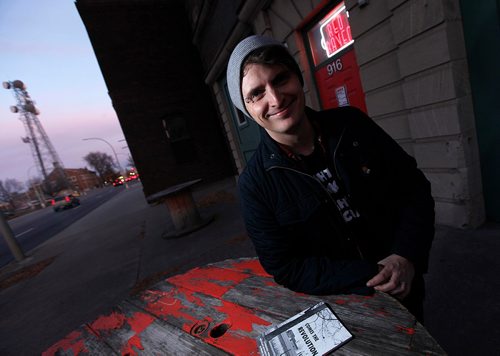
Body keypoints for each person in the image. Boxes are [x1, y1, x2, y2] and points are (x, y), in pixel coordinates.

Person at [226, 35, 435, 321]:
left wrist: (406, 255)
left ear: (298, 78)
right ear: (247, 109)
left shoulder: (353, 125)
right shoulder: (255, 185)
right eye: (257, 93)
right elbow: (286, 266)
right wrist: (372, 275)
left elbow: (414, 190)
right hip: (345, 307)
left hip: (406, 283)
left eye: (280, 79)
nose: (275, 99)